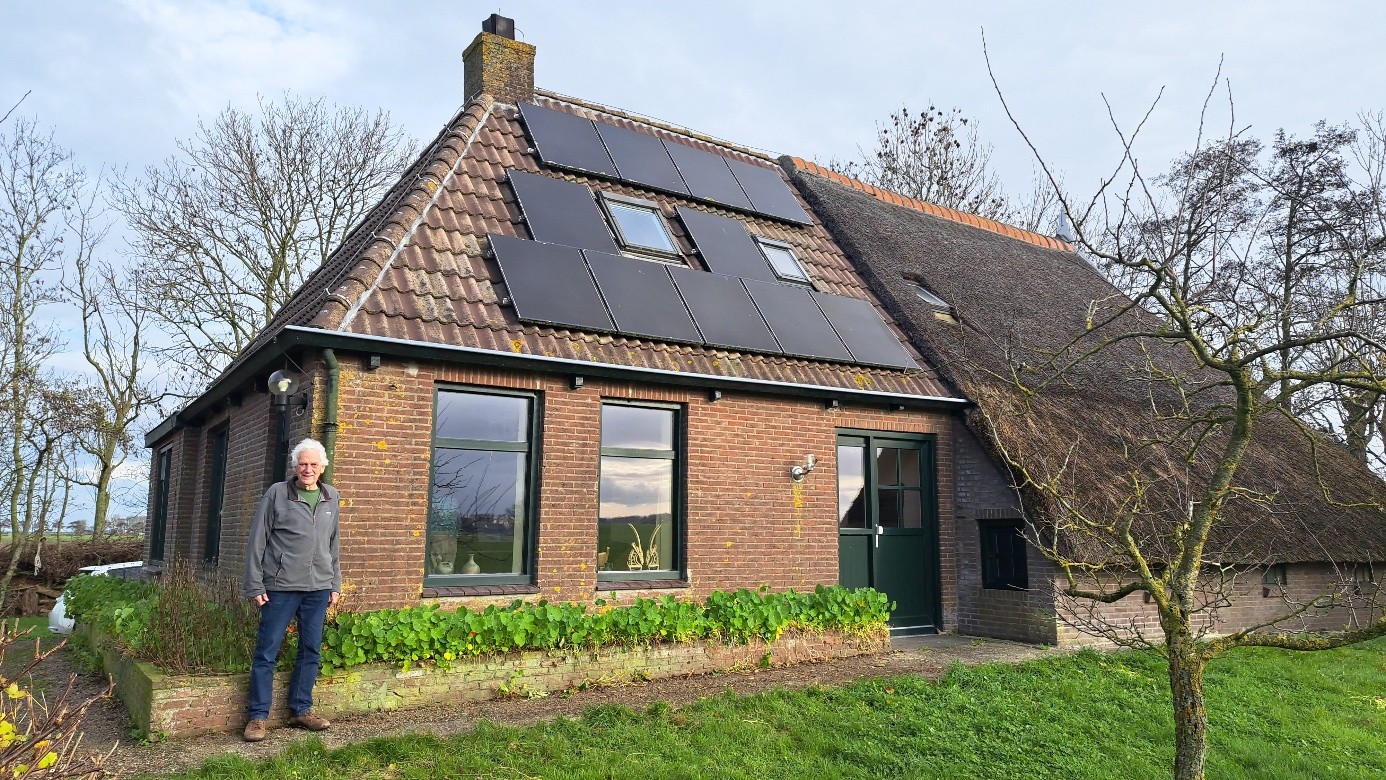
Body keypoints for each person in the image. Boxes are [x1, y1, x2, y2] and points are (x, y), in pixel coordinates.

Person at [241, 438, 341, 742]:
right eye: (302, 464)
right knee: (266, 652)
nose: (307, 469)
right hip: (280, 587)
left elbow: (333, 544)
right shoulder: (277, 494)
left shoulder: (331, 497)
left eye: (313, 464)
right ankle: (257, 717)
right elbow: (257, 540)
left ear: (322, 467)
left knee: (310, 651)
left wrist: (335, 582)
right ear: (295, 466)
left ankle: (301, 710)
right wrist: (254, 583)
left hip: (318, 588)